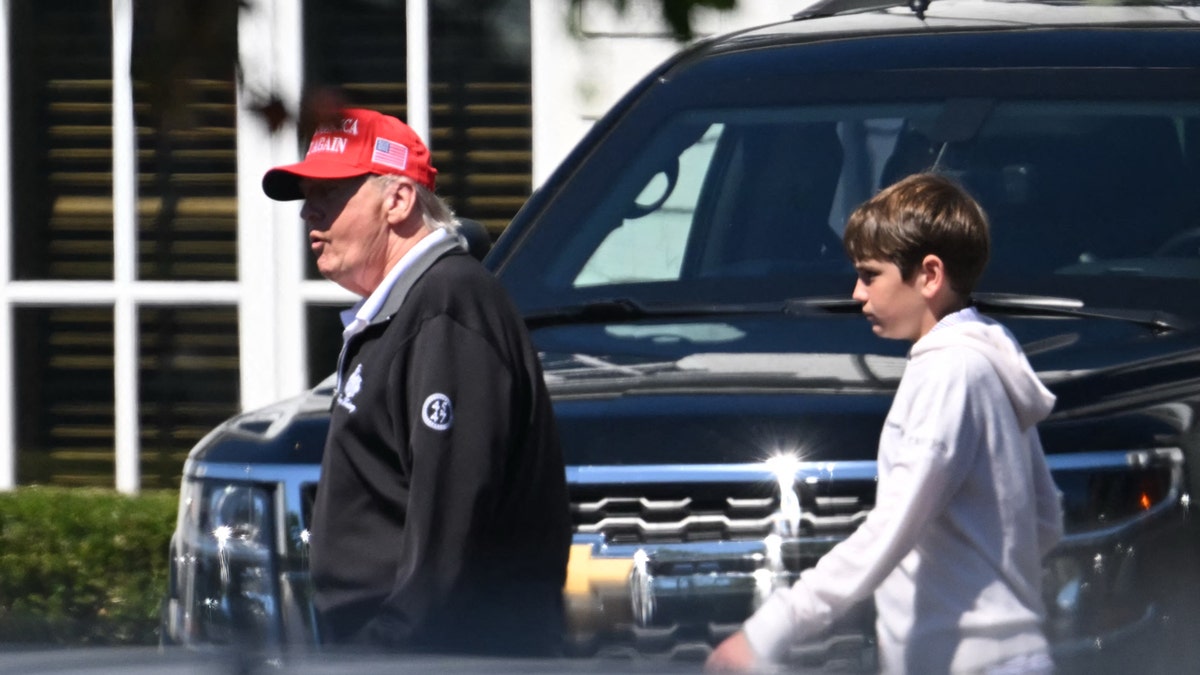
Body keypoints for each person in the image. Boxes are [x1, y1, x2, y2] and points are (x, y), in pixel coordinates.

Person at [706, 173, 1064, 674]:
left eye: (870, 275)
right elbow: (1045, 517)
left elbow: (892, 526)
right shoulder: (990, 363)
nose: (856, 293)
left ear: (929, 275)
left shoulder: (948, 373)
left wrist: (771, 628)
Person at [261, 107, 572, 655]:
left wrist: (388, 652)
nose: (310, 211)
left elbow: (452, 525)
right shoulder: (412, 308)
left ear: (399, 201)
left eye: (330, 193)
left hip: (436, 656)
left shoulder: (447, 306)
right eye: (308, 194)